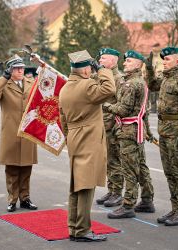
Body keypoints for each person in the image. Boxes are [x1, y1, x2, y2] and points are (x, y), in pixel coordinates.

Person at [59, 50, 116, 242]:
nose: (91, 71)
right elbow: (109, 90)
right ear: (85, 69)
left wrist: (70, 137)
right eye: (90, 68)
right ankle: (82, 230)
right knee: (86, 185)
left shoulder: (65, 88)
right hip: (89, 139)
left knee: (77, 184)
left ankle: (74, 227)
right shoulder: (87, 85)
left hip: (75, 138)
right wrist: (102, 70)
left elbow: (63, 120)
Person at [145, 47, 178, 226]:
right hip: (165, 134)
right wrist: (150, 69)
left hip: (177, 135)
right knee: (169, 173)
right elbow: (152, 85)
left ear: (177, 61)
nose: (164, 62)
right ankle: (175, 209)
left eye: (167, 59)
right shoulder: (167, 78)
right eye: (163, 60)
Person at [103, 50, 155, 219]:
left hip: (128, 130)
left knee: (129, 169)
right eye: (125, 61)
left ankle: (128, 205)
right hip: (136, 129)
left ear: (139, 64)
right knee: (140, 166)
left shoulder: (131, 84)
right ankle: (147, 200)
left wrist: (107, 106)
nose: (125, 63)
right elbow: (144, 111)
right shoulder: (138, 81)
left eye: (129, 61)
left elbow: (123, 110)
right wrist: (147, 130)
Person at [0, 54, 38, 212]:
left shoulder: (31, 82)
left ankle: (25, 198)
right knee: (11, 169)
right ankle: (12, 199)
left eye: (22, 67)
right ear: (10, 70)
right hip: (11, 132)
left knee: (26, 168)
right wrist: (4, 78)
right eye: (17, 68)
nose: (21, 70)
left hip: (28, 131)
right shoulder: (4, 84)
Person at [95, 48, 123, 208]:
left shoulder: (118, 78)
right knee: (107, 160)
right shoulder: (102, 76)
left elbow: (120, 104)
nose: (100, 61)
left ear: (113, 61)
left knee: (114, 160)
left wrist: (115, 125)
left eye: (103, 58)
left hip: (112, 125)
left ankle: (117, 192)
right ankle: (111, 190)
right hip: (102, 124)